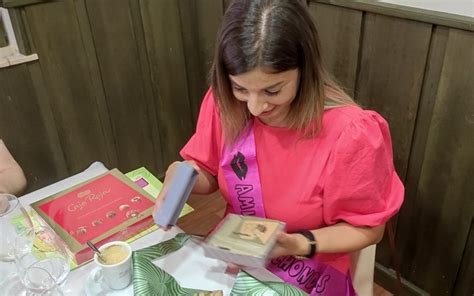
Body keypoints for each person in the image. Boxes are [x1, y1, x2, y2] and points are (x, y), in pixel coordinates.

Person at [154, 0, 404, 294]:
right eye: (240, 88)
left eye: (272, 90)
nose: (255, 107)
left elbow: (367, 228)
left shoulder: (350, 133)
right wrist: (181, 175)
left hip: (309, 268)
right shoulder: (225, 103)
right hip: (235, 257)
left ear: (305, 70)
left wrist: (298, 243)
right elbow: (207, 171)